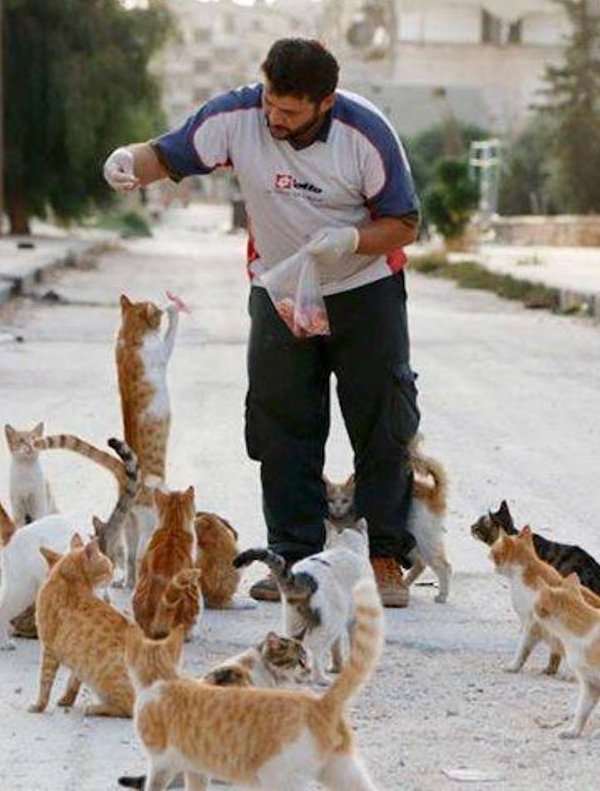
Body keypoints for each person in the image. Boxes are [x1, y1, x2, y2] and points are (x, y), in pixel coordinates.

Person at [102, 38, 421, 608]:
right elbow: (166, 154)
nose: (275, 117)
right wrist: (127, 162)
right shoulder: (237, 116)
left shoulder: (366, 133)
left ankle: (384, 558)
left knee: (382, 423)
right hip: (278, 290)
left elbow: (403, 222)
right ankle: (293, 557)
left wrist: (350, 239)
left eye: (291, 111)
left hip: (363, 290)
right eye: (272, 102)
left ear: (324, 103)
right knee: (281, 424)